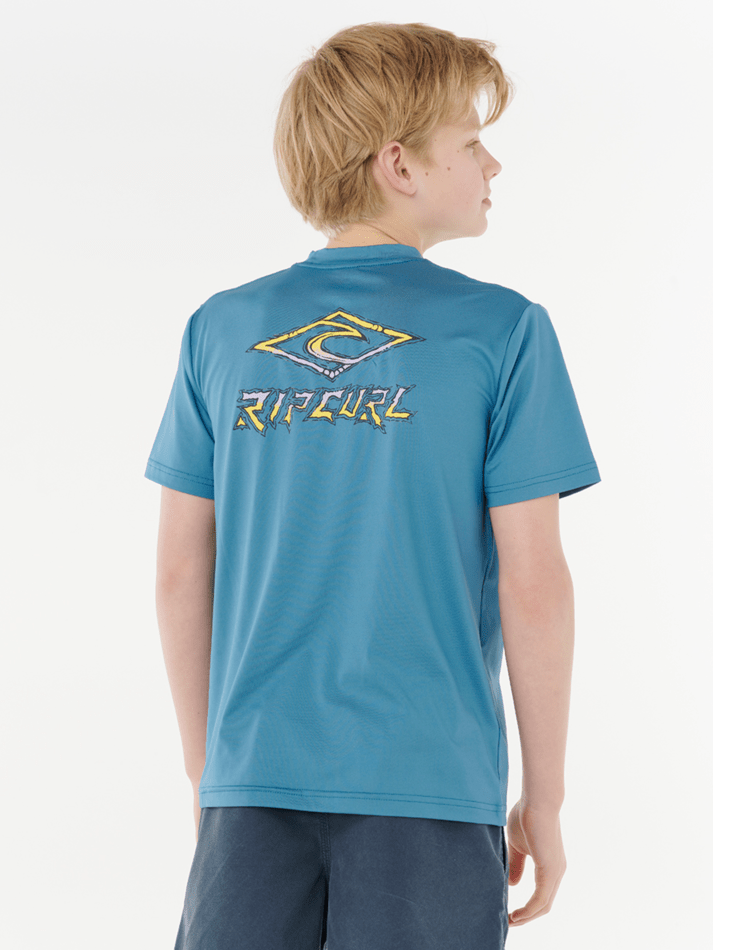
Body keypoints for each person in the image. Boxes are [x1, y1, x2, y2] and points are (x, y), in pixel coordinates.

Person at [145, 21, 601, 950]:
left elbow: (181, 573)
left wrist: (208, 774)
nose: (493, 165)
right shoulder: (502, 332)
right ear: (400, 165)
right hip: (429, 786)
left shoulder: (221, 330)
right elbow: (534, 582)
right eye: (471, 143)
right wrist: (544, 801)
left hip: (249, 784)